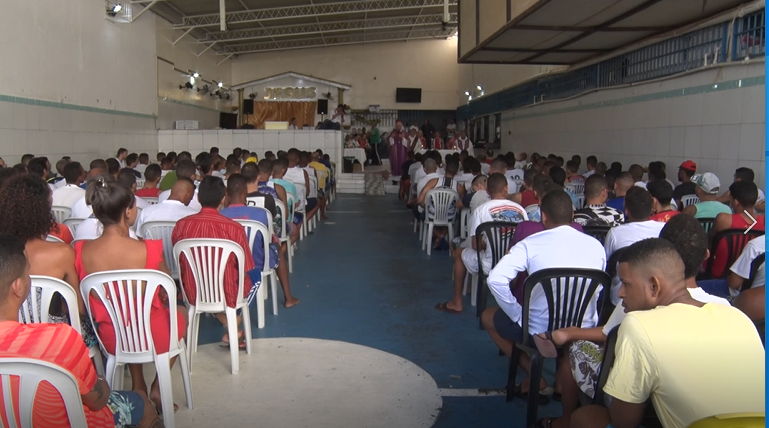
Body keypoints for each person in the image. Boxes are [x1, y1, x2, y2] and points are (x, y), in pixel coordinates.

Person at [535, 216, 732, 428]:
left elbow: (608, 334)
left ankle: (566, 420)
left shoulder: (638, 310)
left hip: (640, 405)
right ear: (706, 256)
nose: (622, 292)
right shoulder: (726, 310)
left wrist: (570, 333)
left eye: (626, 284)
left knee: (576, 352)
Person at [570, 238, 764, 428]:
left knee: (586, 416)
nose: (620, 293)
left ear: (654, 286)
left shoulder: (638, 324)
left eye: (626, 283)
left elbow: (624, 422)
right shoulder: (736, 315)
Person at [0, 234, 165, 428]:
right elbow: (98, 400)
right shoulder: (59, 338)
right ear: (17, 287)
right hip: (77, 422)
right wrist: (99, 379)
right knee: (140, 402)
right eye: (27, 272)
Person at [76, 174, 187, 414]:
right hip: (154, 334)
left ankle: (139, 386)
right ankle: (159, 385)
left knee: (126, 316)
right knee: (179, 313)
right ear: (127, 212)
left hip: (111, 338)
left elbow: (82, 307)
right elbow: (167, 290)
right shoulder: (149, 249)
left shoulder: (80, 251)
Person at [484, 190, 605, 398]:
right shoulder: (596, 246)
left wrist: (516, 313)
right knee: (569, 343)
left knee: (487, 317)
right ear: (572, 216)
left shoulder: (530, 244)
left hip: (537, 332)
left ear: (543, 216)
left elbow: (495, 279)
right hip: (582, 331)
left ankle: (535, 376)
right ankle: (561, 384)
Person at [172, 176, 258, 349]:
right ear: (223, 198)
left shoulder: (181, 226)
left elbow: (181, 262)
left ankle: (228, 321)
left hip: (192, 290)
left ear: (197, 198)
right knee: (253, 274)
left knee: (207, 279)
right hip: (227, 292)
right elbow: (246, 266)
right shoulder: (234, 228)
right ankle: (234, 319)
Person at [0, 174, 85, 332]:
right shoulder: (62, 253)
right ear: (43, 209)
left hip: (11, 331)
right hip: (55, 332)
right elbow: (77, 309)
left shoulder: (5, 254)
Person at [436, 173, 527, 315]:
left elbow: (475, 246)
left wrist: (487, 243)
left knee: (459, 253)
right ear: (506, 188)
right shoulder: (521, 210)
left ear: (487, 191)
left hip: (490, 263)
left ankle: (457, 302)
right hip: (515, 266)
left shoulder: (481, 211)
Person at [220, 174, 299, 308]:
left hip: (228, 264)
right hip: (258, 262)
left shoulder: (221, 215)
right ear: (246, 191)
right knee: (276, 247)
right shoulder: (261, 213)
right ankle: (288, 298)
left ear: (227, 192)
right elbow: (267, 239)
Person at [604, 186, 666, 304]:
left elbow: (608, 267)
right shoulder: (664, 229)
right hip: (656, 298)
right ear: (652, 207)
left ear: (626, 210)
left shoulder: (615, 233)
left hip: (620, 299)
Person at [707, 181, 765, 277]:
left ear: (736, 202)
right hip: (750, 277)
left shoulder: (723, 219)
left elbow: (709, 241)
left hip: (719, 274)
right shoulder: (764, 222)